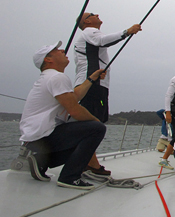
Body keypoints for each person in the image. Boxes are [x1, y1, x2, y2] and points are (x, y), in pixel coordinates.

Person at [19, 41, 106, 190]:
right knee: (96, 129)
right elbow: (75, 110)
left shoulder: (50, 77)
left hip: (35, 139)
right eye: (56, 50)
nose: (62, 50)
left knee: (87, 135)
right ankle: (69, 178)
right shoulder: (56, 77)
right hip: (42, 137)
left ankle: (41, 162)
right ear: (48, 59)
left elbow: (74, 96)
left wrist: (91, 78)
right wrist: (97, 123)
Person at [73, 12, 142, 175]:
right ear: (87, 21)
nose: (97, 14)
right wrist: (127, 32)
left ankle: (88, 162)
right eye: (92, 14)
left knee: (95, 123)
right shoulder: (89, 31)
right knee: (94, 124)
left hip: (94, 85)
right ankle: (88, 164)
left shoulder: (88, 34)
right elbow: (102, 41)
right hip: (92, 85)